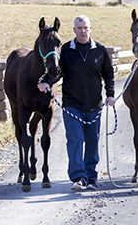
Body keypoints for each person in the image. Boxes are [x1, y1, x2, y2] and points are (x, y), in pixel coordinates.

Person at [38, 15, 115, 191]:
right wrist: (46, 83)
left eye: (85, 28)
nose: (82, 31)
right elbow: (57, 72)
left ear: (90, 29)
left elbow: (109, 74)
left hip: (94, 105)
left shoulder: (99, 50)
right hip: (72, 105)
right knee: (74, 140)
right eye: (79, 28)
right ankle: (78, 177)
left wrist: (110, 95)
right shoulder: (66, 50)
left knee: (92, 141)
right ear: (74, 30)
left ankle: (91, 176)